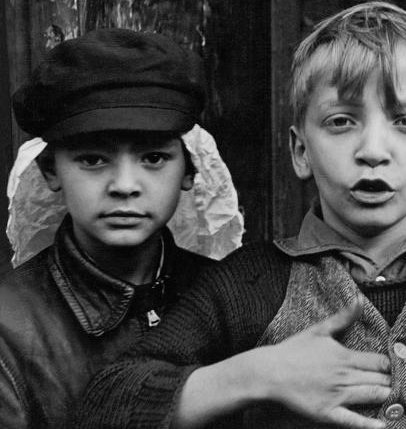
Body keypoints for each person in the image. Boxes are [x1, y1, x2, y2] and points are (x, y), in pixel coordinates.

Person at [75, 1, 406, 429]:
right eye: (341, 122)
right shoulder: (249, 285)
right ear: (300, 150)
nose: (372, 150)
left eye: (405, 122)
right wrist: (255, 375)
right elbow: (104, 405)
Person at [0, 28, 244, 429]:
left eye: (153, 157)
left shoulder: (231, 297)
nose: (125, 185)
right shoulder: (9, 326)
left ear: (190, 169)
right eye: (93, 160)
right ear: (50, 171)